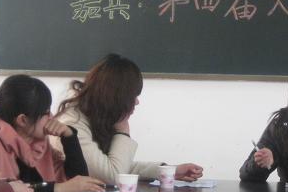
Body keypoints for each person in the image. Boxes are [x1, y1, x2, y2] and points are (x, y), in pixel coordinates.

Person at [55, 54, 203, 183]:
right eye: (133, 96)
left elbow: (117, 166)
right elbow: (112, 175)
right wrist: (123, 132)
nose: (137, 102)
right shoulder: (73, 124)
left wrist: (168, 171)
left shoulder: (94, 115)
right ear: (117, 97)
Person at [0, 75, 104, 192]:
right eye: (46, 113)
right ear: (22, 120)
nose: (52, 117)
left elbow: (76, 183)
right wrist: (58, 189)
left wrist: (69, 137)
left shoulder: (38, 143)